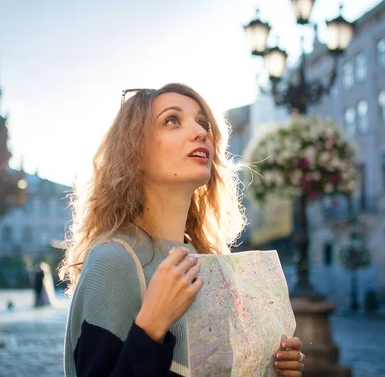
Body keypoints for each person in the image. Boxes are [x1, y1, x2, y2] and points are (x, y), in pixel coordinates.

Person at [60, 83, 305, 376]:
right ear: (134, 151)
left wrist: (271, 367)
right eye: (172, 120)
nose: (201, 132)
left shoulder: (212, 261)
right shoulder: (113, 260)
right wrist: (152, 325)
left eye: (202, 122)